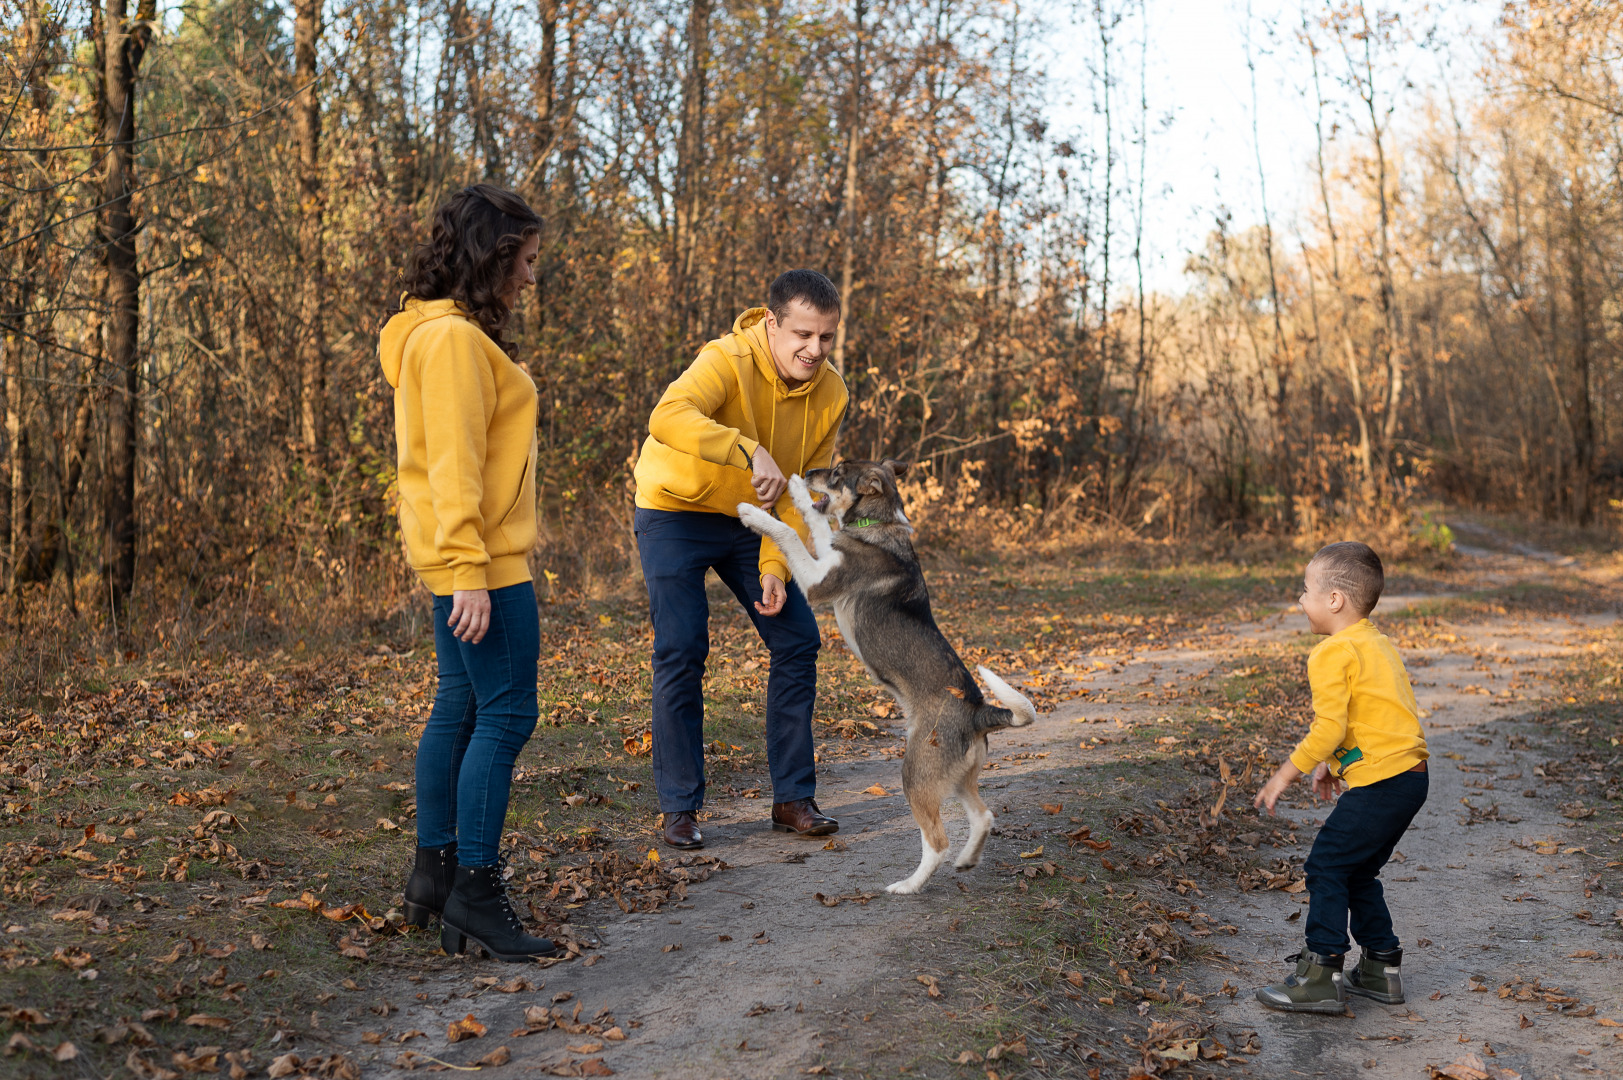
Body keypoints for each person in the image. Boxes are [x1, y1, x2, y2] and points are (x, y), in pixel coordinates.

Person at [378, 184, 558, 962]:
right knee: (507, 712)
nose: (529, 276)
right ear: (491, 259)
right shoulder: (450, 342)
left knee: (460, 701)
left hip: (464, 559)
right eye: (522, 260)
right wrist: (470, 571)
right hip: (480, 562)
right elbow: (451, 463)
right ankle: (476, 892)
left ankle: (435, 870)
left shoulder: (434, 333)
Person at [633, 269, 850, 850]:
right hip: (674, 510)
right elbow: (667, 415)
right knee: (681, 648)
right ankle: (680, 808)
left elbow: (801, 490)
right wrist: (747, 447)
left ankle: (792, 799)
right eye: (804, 334)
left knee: (797, 640)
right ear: (773, 323)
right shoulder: (725, 360)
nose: (816, 350)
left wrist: (775, 568)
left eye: (827, 337)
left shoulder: (831, 392)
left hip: (752, 521)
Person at [1252, 541, 1430, 1012]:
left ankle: (1321, 973)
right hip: (1411, 779)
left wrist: (1284, 775)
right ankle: (1380, 968)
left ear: (1334, 600)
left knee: (1326, 866)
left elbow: (1328, 725)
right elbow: (1377, 715)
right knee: (1358, 870)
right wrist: (1335, 762)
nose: (1300, 600)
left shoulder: (1331, 652)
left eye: (1306, 590)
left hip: (1383, 782)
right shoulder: (1377, 643)